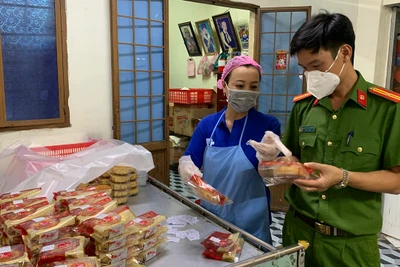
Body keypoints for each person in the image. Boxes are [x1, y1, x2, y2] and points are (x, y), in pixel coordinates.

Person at [254, 11, 400, 266]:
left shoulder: (387, 109)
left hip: (351, 244)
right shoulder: (305, 106)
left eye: (317, 66)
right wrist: (274, 160)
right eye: (304, 68)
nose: (310, 75)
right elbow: (296, 160)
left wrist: (343, 177)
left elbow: (397, 181)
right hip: (297, 232)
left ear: (345, 53)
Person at [178, 55, 281, 244]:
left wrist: (271, 162)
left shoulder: (268, 126)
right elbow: (189, 159)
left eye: (254, 86)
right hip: (212, 215)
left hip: (252, 220)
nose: (247, 92)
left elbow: (273, 176)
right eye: (240, 86)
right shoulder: (208, 125)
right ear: (224, 87)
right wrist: (187, 168)